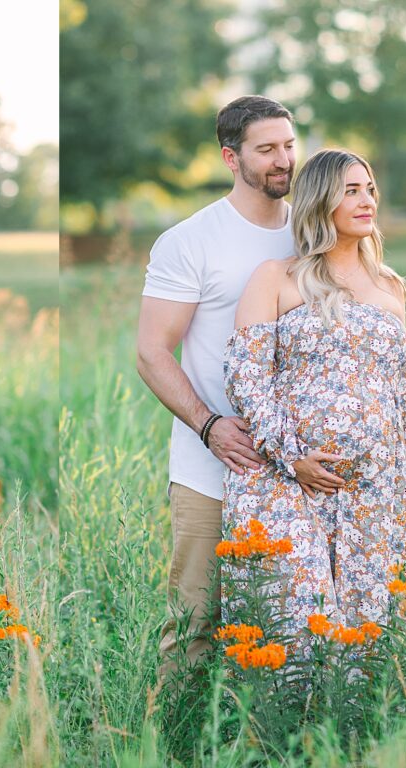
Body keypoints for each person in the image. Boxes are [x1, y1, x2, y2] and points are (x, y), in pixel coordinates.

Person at [138, 95, 340, 682]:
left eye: (288, 145)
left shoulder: (312, 233)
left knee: (292, 622)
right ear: (232, 157)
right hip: (216, 464)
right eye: (266, 149)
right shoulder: (191, 240)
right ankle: (173, 741)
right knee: (197, 621)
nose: (284, 160)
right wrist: (209, 426)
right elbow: (152, 351)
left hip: (302, 467)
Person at [222, 149, 406, 639]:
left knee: (366, 634)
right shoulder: (277, 277)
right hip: (288, 483)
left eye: (369, 188)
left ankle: (356, 721)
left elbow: (402, 397)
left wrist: (401, 490)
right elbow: (247, 380)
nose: (366, 200)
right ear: (320, 200)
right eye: (350, 191)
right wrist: (293, 458)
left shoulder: (389, 286)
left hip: (371, 492)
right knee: (297, 626)